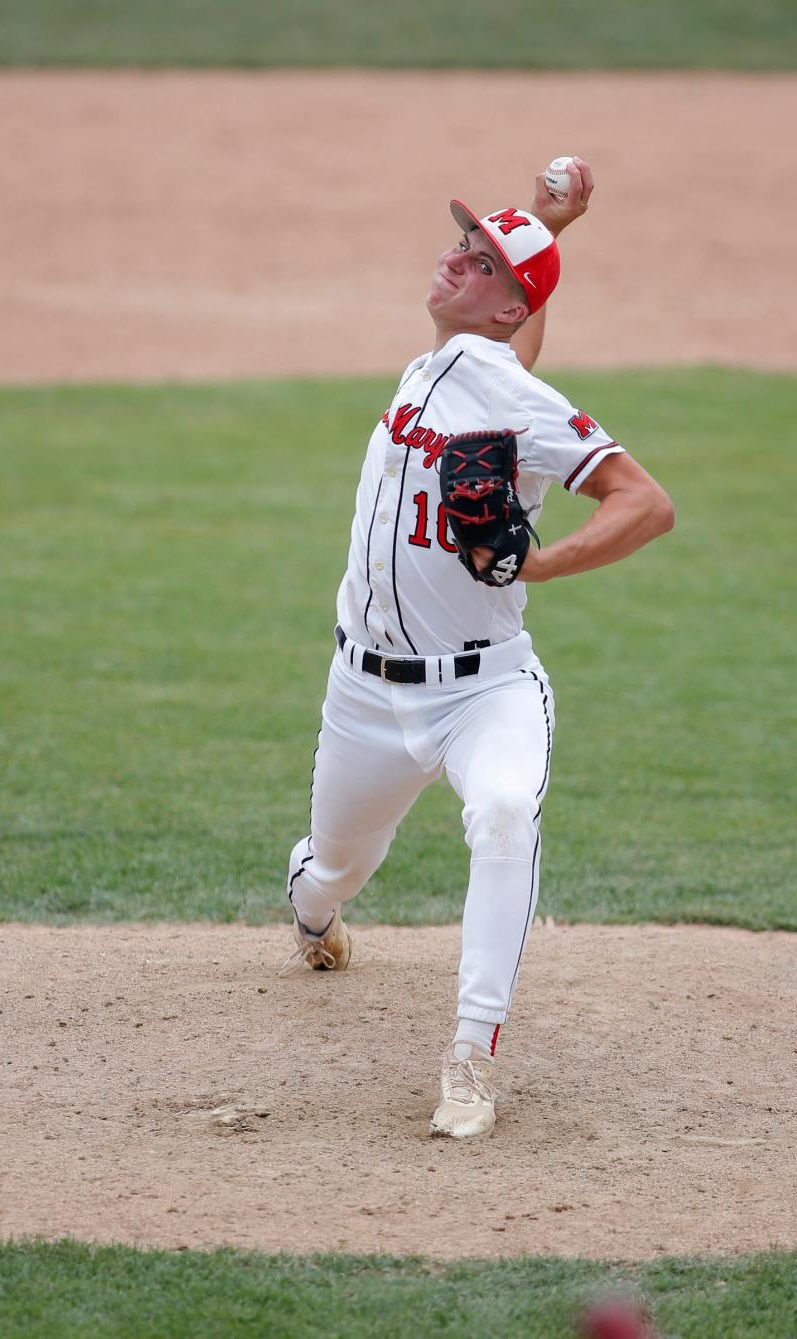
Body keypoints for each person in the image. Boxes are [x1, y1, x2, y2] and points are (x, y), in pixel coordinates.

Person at [280, 159, 675, 1138]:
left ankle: (470, 1058)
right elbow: (510, 347)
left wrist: (544, 568)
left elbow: (646, 503)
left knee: (503, 812)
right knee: (332, 867)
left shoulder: (510, 392)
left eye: (482, 259)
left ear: (502, 306)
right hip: (364, 696)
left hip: (485, 693)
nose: (457, 257)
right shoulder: (447, 364)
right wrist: (542, 230)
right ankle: (316, 916)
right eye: (464, 243)